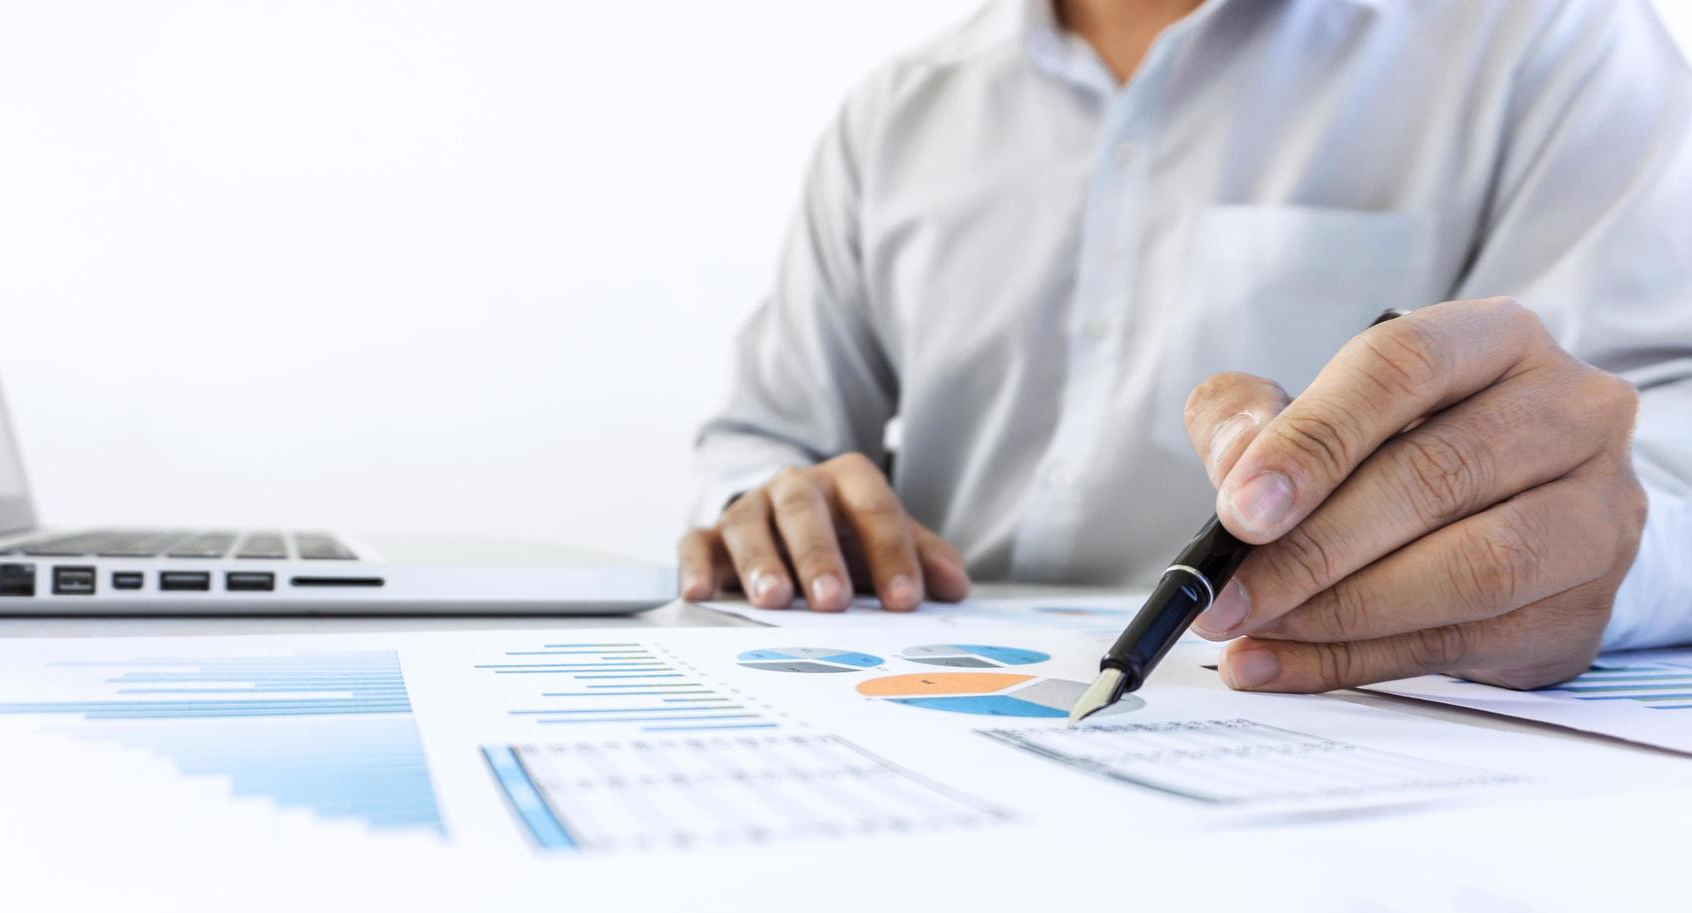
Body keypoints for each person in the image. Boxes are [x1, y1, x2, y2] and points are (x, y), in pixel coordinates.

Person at [679, 0, 1692, 694]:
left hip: (1343, 729)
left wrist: (1594, 552)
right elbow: (764, 436)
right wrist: (767, 503)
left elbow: (1658, 451)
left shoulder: (1551, 42)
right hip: (927, 705)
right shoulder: (897, 112)